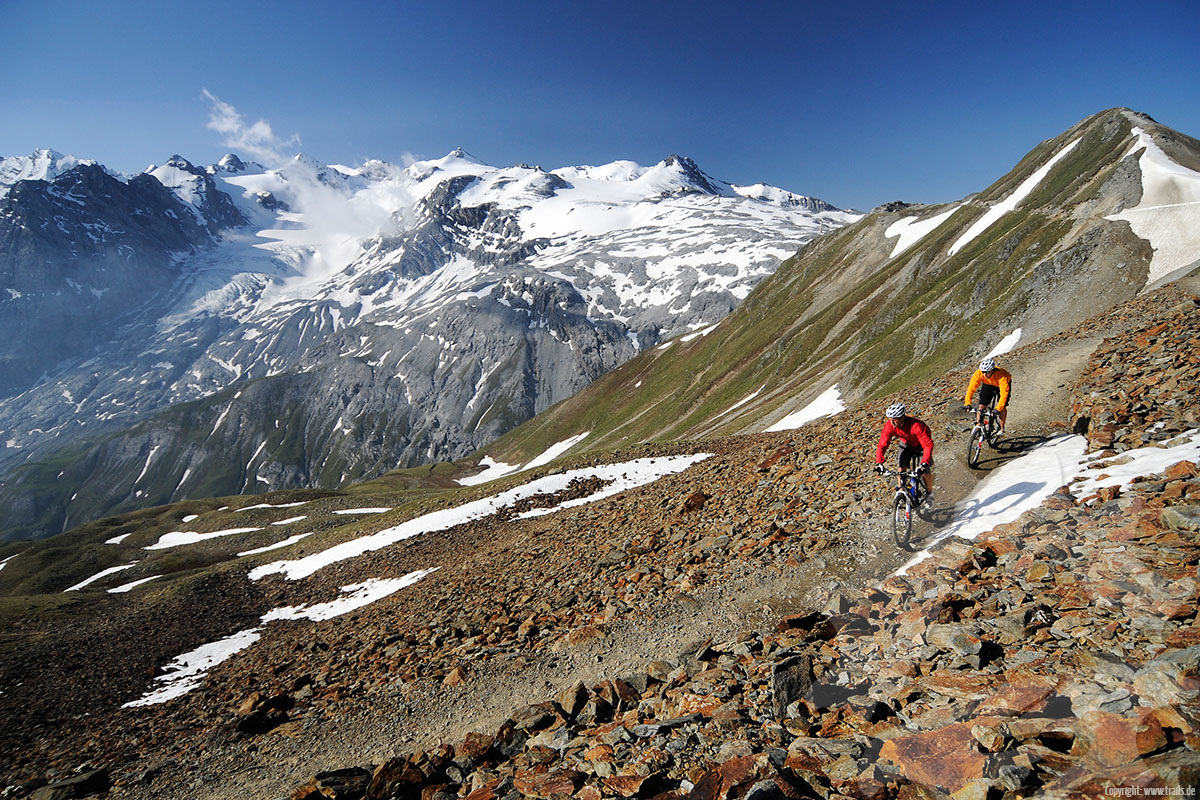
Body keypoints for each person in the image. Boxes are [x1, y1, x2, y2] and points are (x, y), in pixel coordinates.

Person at [874, 402, 934, 504]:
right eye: (891, 419)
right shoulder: (890, 426)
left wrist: (924, 463)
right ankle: (901, 492)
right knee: (901, 467)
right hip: (906, 444)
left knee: (925, 471)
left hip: (921, 446)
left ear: (902, 418)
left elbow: (928, 445)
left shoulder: (917, 426)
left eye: (895, 419)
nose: (892, 422)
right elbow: (882, 444)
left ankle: (930, 493)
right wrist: (879, 462)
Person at [963, 358, 1012, 436]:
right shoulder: (979, 374)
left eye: (987, 372)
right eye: (983, 372)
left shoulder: (1001, 376)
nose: (985, 375)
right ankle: (979, 425)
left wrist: (998, 409)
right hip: (988, 384)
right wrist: (967, 403)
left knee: (1002, 407)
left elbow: (1004, 394)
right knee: (982, 405)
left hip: (1001, 385)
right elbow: (971, 388)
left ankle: (1002, 429)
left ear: (992, 370)